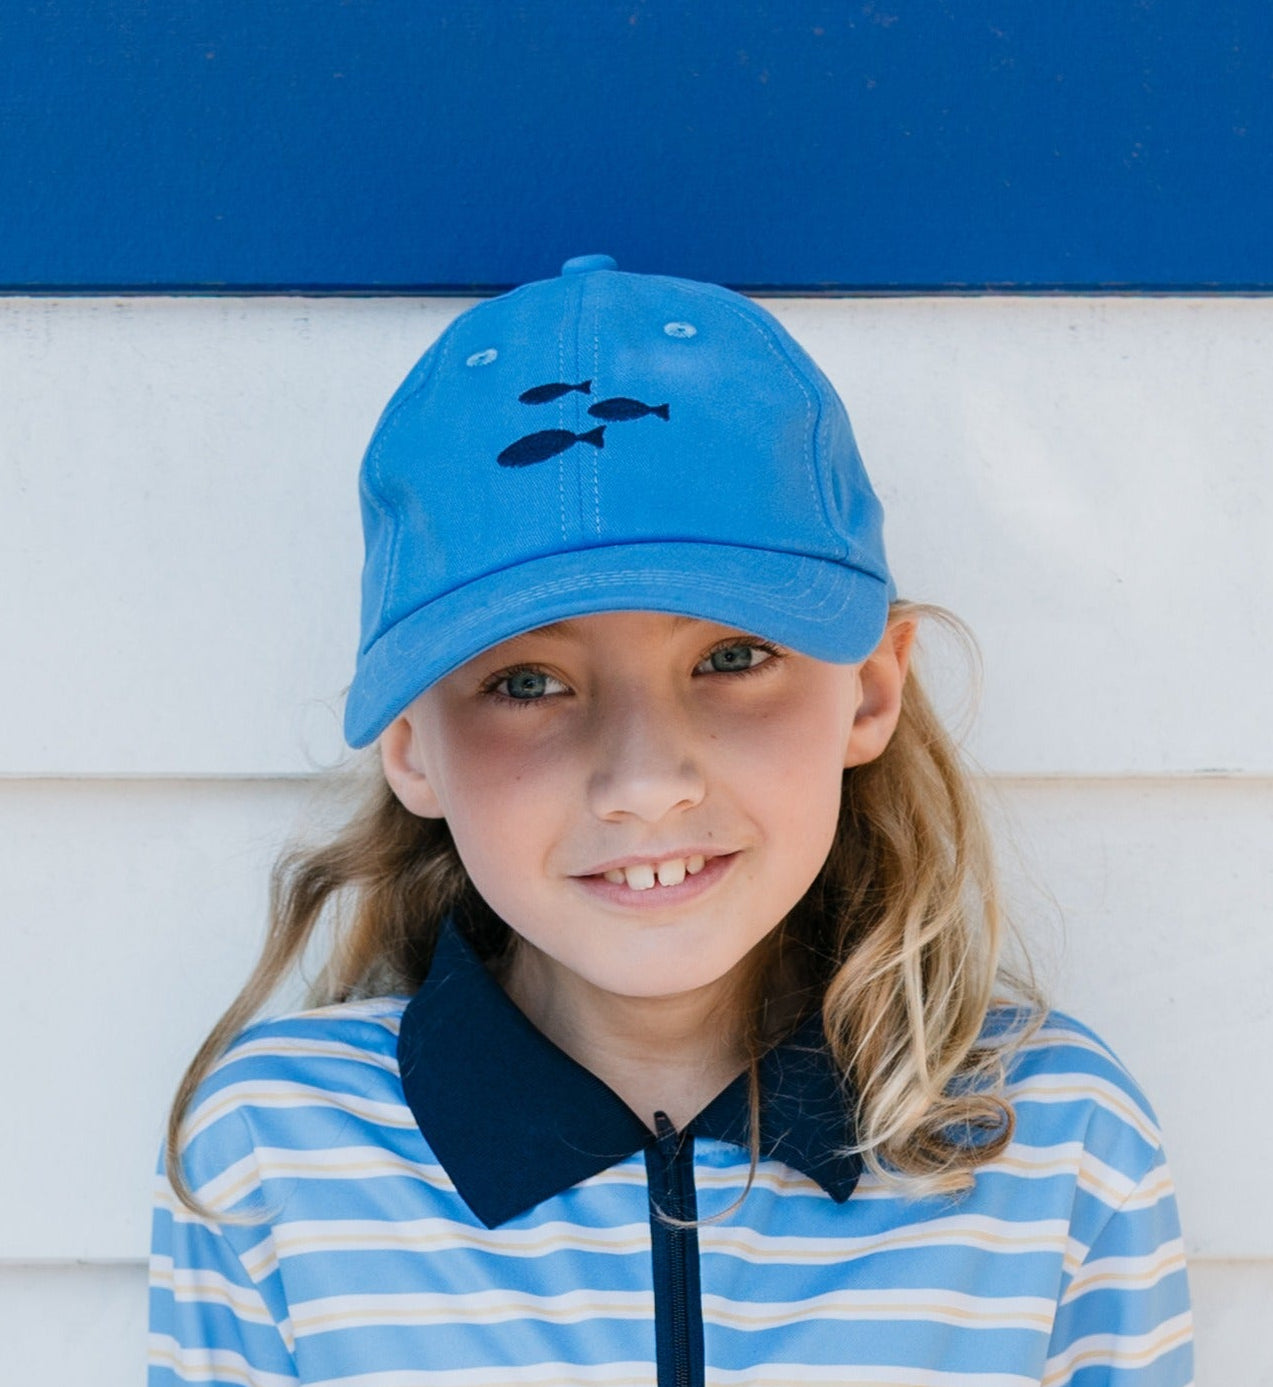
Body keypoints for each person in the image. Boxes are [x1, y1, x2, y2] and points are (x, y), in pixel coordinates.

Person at [148, 254, 1194, 1385]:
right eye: (528, 682)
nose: (645, 782)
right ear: (409, 744)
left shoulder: (1048, 1145)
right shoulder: (277, 1155)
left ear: (873, 688)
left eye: (732, 656)